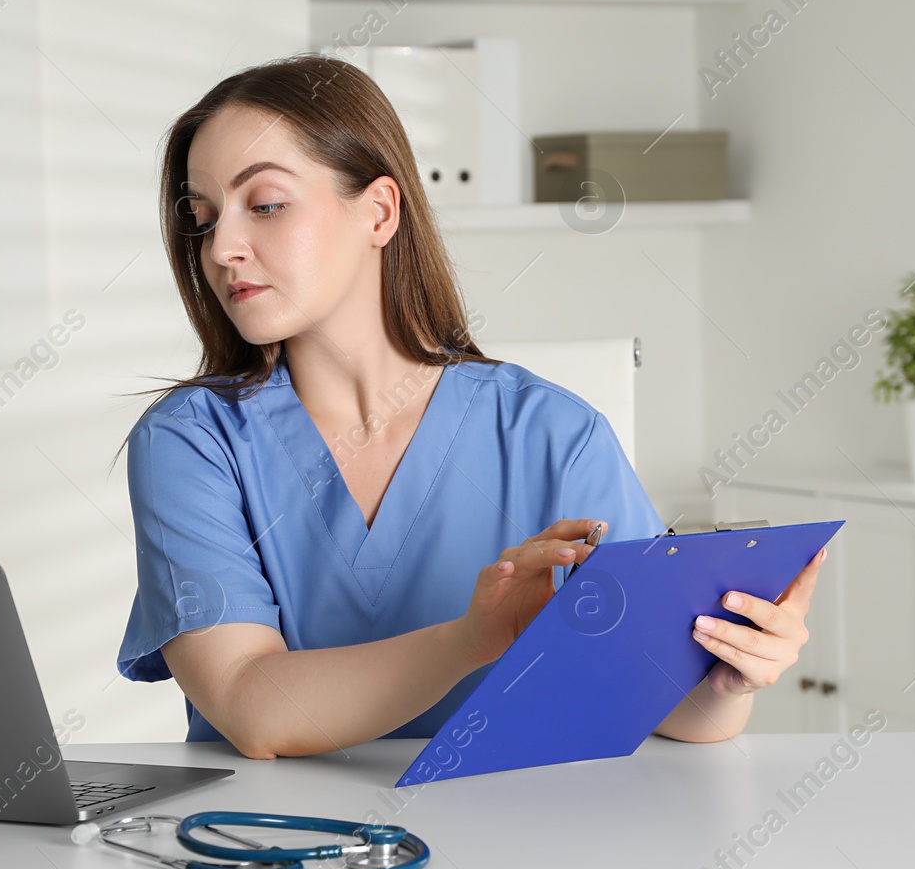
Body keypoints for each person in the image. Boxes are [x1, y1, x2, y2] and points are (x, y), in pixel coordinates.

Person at [115, 53, 821, 760]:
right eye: (203, 219)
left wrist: (731, 675)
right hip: (267, 850)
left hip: (511, 849)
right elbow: (250, 703)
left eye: (264, 204)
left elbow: (670, 702)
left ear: (380, 212)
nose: (223, 249)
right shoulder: (191, 443)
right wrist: (467, 640)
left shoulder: (555, 434)